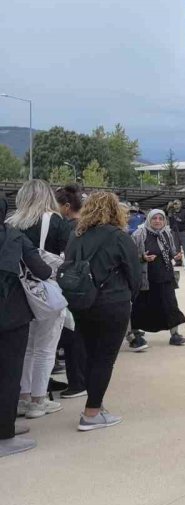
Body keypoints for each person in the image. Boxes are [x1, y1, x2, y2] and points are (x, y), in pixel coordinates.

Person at [65, 192, 141, 431]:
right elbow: (135, 276)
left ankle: (94, 404)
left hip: (81, 301)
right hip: (112, 302)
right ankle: (92, 412)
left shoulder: (76, 236)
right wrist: (130, 296)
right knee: (105, 358)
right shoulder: (119, 237)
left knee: (90, 354)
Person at [6, 179, 70, 420]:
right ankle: (38, 401)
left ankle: (22, 397)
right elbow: (68, 256)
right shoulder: (54, 221)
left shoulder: (10, 223)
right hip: (46, 290)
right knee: (45, 348)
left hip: (16, 292)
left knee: (25, 348)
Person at [0, 197, 52, 457]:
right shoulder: (14, 237)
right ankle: (4, 434)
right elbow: (41, 271)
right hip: (11, 315)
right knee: (9, 375)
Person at [129, 209, 185, 347]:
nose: (157, 221)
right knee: (141, 306)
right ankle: (135, 334)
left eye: (160, 219)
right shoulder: (139, 234)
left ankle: (175, 334)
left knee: (171, 305)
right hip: (147, 279)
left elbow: (170, 251)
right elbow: (130, 257)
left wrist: (175, 256)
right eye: (154, 218)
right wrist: (143, 258)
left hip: (165, 276)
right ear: (149, 219)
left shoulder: (166, 233)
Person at [54, 185, 87, 399]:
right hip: (81, 285)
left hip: (69, 284)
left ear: (66, 207)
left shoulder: (68, 227)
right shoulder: (84, 226)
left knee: (72, 335)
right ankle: (79, 379)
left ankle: (77, 382)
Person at [166, 199, 185, 269]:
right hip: (174, 231)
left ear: (181, 204)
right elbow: (167, 213)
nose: (176, 205)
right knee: (176, 247)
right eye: (175, 204)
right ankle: (178, 262)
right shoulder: (172, 211)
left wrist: (180, 220)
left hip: (183, 231)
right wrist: (169, 207)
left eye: (178, 203)